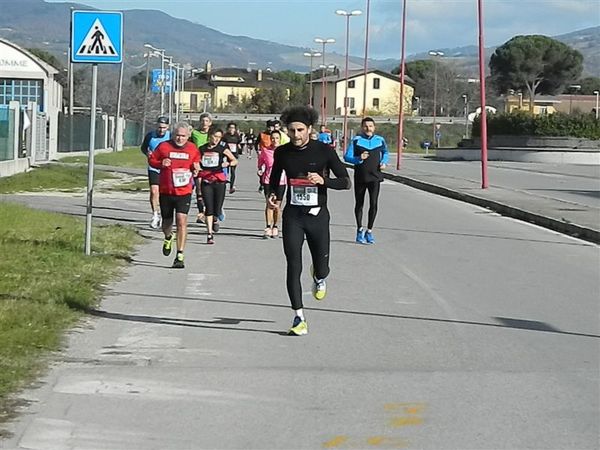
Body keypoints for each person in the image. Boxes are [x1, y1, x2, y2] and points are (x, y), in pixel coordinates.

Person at [268, 106, 351, 336]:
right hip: (293, 217)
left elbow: (345, 182)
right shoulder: (282, 152)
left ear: (310, 129)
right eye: (292, 130)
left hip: (318, 217)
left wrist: (323, 181)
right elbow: (275, 181)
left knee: (322, 267)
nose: (295, 135)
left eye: (300, 130)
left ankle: (319, 275)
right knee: (293, 266)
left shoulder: (323, 151)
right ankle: (298, 317)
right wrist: (274, 197)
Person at [148, 122, 200, 269]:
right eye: (177, 135)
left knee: (181, 220)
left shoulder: (192, 149)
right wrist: (161, 163)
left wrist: (196, 169)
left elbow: (196, 163)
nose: (180, 138)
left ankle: (180, 255)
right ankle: (168, 237)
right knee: (167, 223)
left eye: (183, 136)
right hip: (166, 191)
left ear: (188, 136)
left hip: (184, 191)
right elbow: (152, 160)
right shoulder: (164, 147)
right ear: (173, 135)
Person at [343, 117, 389, 245]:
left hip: (375, 176)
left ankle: (369, 231)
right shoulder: (356, 141)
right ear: (362, 128)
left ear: (374, 127)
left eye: (370, 126)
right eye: (365, 126)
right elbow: (347, 157)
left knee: (373, 204)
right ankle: (359, 230)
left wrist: (384, 162)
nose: (368, 128)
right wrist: (359, 158)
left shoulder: (380, 140)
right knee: (359, 204)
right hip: (361, 177)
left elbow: (385, 152)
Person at [197, 128, 238, 245]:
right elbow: (196, 162)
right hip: (206, 181)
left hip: (219, 181)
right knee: (208, 208)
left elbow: (235, 160)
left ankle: (215, 218)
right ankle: (209, 234)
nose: (216, 140)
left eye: (219, 138)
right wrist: (197, 167)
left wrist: (228, 163)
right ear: (210, 136)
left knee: (217, 209)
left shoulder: (222, 149)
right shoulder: (202, 149)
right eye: (214, 136)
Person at [140, 116, 171, 229]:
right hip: (154, 166)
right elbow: (143, 148)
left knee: (164, 193)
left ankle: (164, 214)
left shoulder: (170, 136)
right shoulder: (150, 135)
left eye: (163, 128)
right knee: (154, 191)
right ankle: (155, 215)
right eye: (159, 127)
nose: (161, 130)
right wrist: (147, 153)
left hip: (166, 168)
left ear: (167, 127)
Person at [257, 129, 286, 239]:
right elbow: (260, 163)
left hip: (281, 180)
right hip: (268, 180)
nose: (275, 140)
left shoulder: (285, 151)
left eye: (277, 138)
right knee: (269, 203)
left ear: (280, 139)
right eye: (273, 138)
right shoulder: (265, 150)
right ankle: (268, 226)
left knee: (277, 205)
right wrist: (260, 169)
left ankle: (275, 226)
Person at [191, 112, 212, 223]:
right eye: (203, 121)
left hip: (211, 165)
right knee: (199, 189)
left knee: (208, 190)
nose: (204, 123)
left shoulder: (213, 135)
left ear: (210, 123)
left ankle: (211, 211)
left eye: (207, 121)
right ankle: (200, 213)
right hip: (198, 163)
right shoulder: (194, 134)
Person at [222, 122, 242, 193]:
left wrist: (240, 150)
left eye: (233, 128)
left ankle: (231, 187)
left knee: (233, 171)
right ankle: (223, 184)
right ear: (228, 129)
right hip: (226, 155)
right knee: (225, 171)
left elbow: (239, 144)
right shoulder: (225, 136)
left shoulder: (237, 136)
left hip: (234, 155)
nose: (231, 129)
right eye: (230, 128)